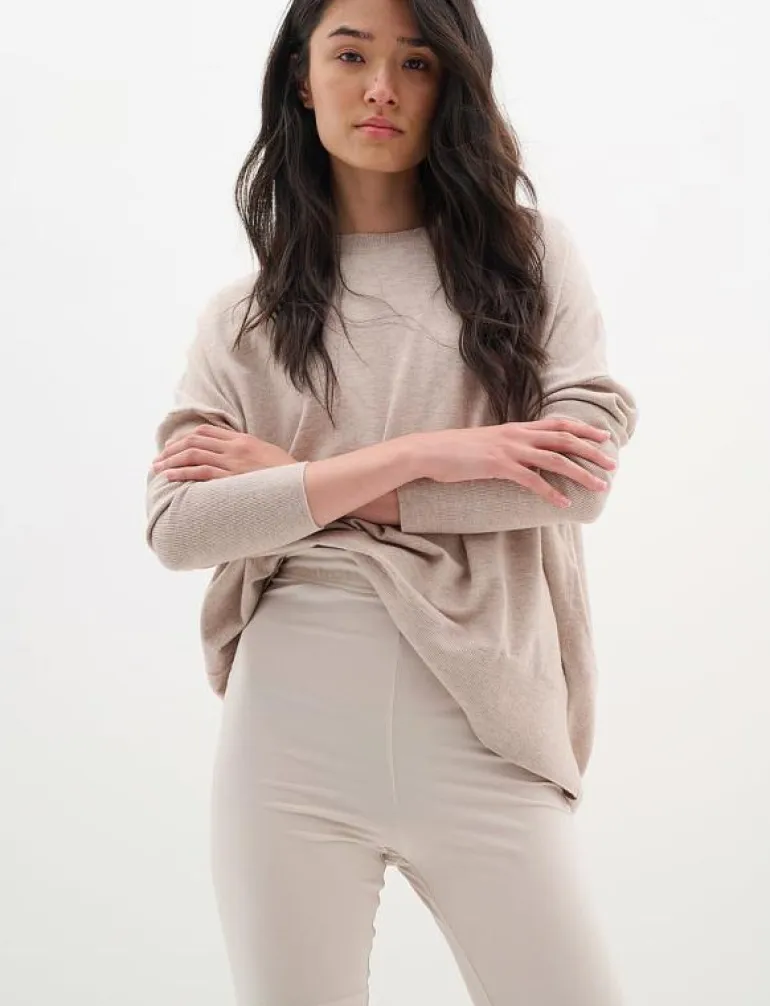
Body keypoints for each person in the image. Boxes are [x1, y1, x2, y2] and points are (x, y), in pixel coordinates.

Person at [145, 0, 638, 1002]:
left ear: (450, 82)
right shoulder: (241, 320)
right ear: (301, 77)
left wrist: (293, 481)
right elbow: (180, 526)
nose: (380, 88)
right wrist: (429, 453)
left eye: (415, 62)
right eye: (350, 55)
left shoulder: (528, 262)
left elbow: (571, 478)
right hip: (289, 729)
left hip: (484, 716)